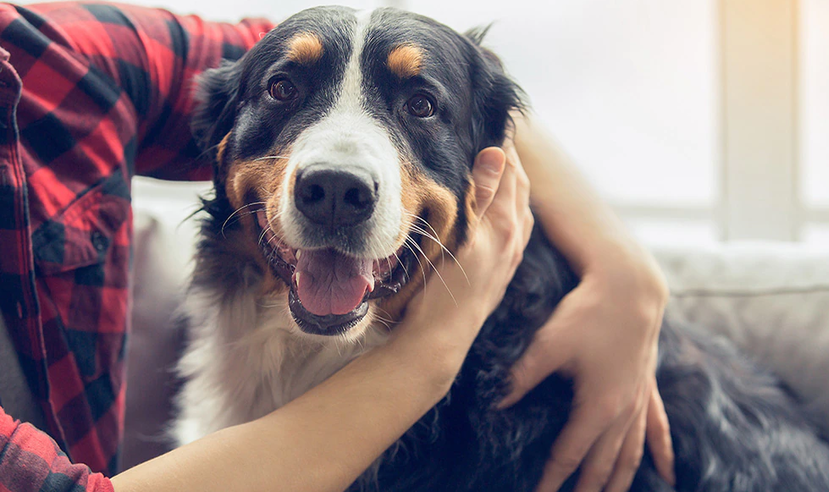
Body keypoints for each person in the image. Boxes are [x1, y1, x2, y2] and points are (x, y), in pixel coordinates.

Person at [0, 3, 673, 491]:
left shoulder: (44, 52)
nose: (336, 178)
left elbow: (374, 51)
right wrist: (432, 350)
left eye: (420, 107)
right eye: (284, 93)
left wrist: (625, 272)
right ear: (221, 148)